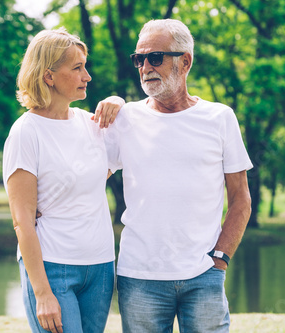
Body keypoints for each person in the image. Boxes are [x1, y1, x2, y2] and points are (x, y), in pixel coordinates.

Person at [105, 19, 253, 333]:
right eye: (139, 59)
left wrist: (220, 259)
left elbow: (241, 200)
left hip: (203, 276)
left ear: (185, 61)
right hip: (139, 277)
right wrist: (38, 204)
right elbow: (86, 180)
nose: (145, 67)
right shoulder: (125, 118)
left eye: (155, 57)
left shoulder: (220, 118)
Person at [3, 28, 124, 333]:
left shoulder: (92, 124)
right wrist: (42, 293)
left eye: (85, 66)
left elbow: (128, 146)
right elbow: (22, 222)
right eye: (77, 68)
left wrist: (118, 101)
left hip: (100, 267)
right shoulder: (25, 133)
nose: (88, 76)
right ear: (49, 76)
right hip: (52, 267)